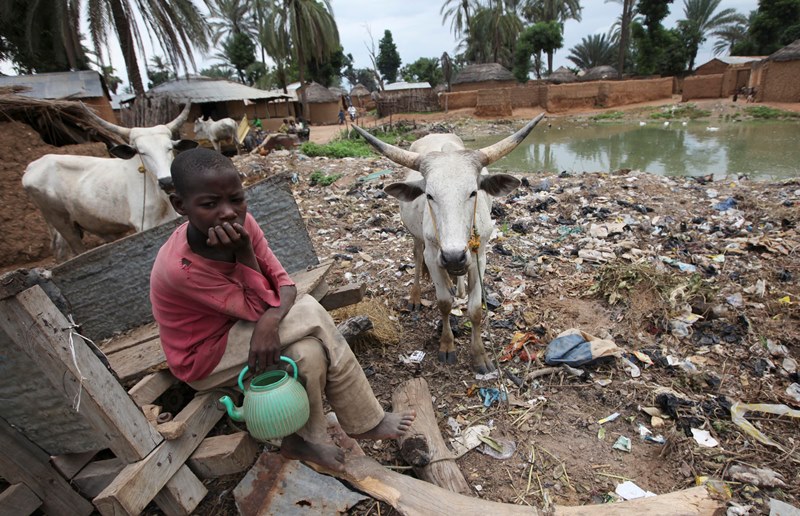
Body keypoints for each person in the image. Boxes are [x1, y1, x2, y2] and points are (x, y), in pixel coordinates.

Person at [149, 148, 415, 471]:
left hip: (243, 326)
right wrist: (246, 255)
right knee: (310, 311)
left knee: (308, 353)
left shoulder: (243, 221)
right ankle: (366, 420)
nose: (228, 213)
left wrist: (269, 322)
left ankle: (304, 442)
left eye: (236, 199)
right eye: (209, 204)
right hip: (206, 355)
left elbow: (284, 283)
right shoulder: (182, 269)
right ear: (180, 206)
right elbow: (262, 303)